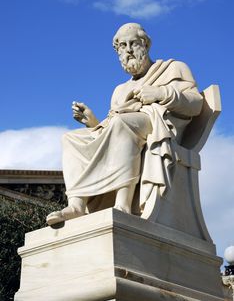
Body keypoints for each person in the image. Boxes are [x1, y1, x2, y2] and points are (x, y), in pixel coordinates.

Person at [46, 23, 203, 226]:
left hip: (157, 127)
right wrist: (93, 123)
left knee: (121, 124)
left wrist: (160, 93)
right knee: (70, 138)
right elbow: (111, 128)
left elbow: (196, 104)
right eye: (122, 46)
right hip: (126, 126)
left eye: (133, 43)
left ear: (145, 45)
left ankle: (123, 204)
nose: (128, 50)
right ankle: (76, 204)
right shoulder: (120, 89)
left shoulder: (172, 68)